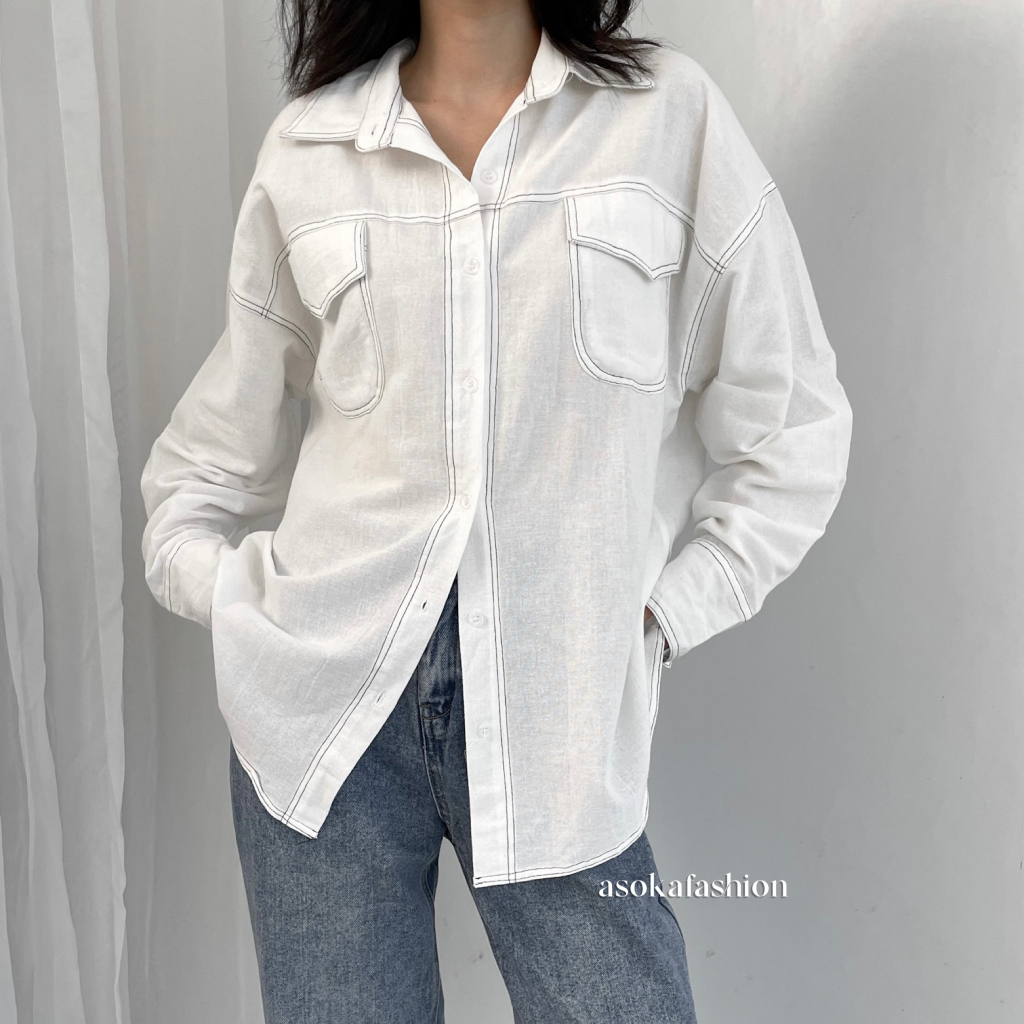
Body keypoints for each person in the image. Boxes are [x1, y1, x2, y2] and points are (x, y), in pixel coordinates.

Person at [140, 0, 853, 1020]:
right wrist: (248, 609)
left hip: (559, 718)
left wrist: (658, 617)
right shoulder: (312, 145)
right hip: (325, 721)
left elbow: (794, 428)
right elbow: (204, 465)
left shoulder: (667, 117)